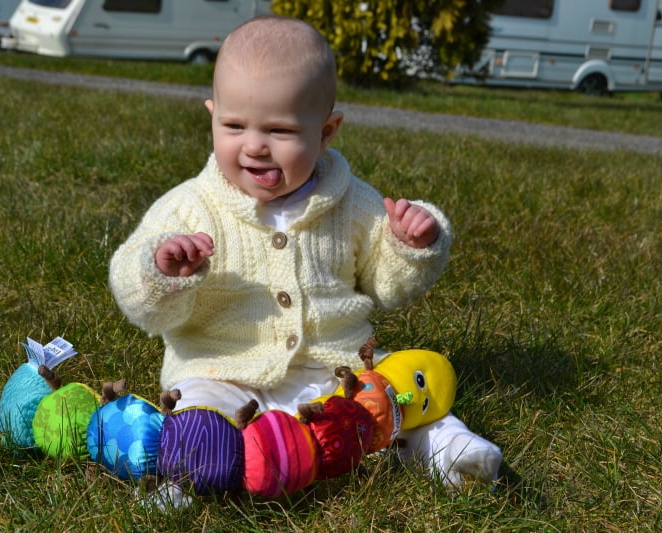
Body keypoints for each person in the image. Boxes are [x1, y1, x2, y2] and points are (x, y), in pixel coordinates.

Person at [109, 15, 502, 497]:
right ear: (211, 114)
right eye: (233, 125)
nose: (254, 145)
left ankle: (445, 448)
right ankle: (183, 480)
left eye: (280, 130)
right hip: (222, 369)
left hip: (332, 370)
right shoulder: (189, 207)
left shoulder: (352, 203)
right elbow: (136, 297)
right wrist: (160, 270)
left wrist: (410, 245)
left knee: (393, 395)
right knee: (196, 413)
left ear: (326, 131)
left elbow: (385, 282)